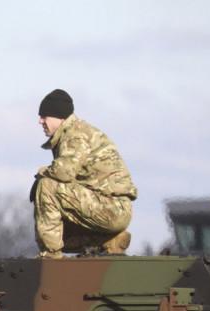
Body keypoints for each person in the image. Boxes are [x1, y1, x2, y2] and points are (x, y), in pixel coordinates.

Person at [33, 89, 137, 259]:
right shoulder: (76, 131)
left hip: (110, 207)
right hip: (112, 208)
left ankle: (50, 257)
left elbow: (64, 172)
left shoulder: (75, 134)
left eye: (44, 116)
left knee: (46, 186)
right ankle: (110, 240)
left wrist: (42, 172)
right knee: (62, 236)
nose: (40, 121)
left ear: (59, 117)